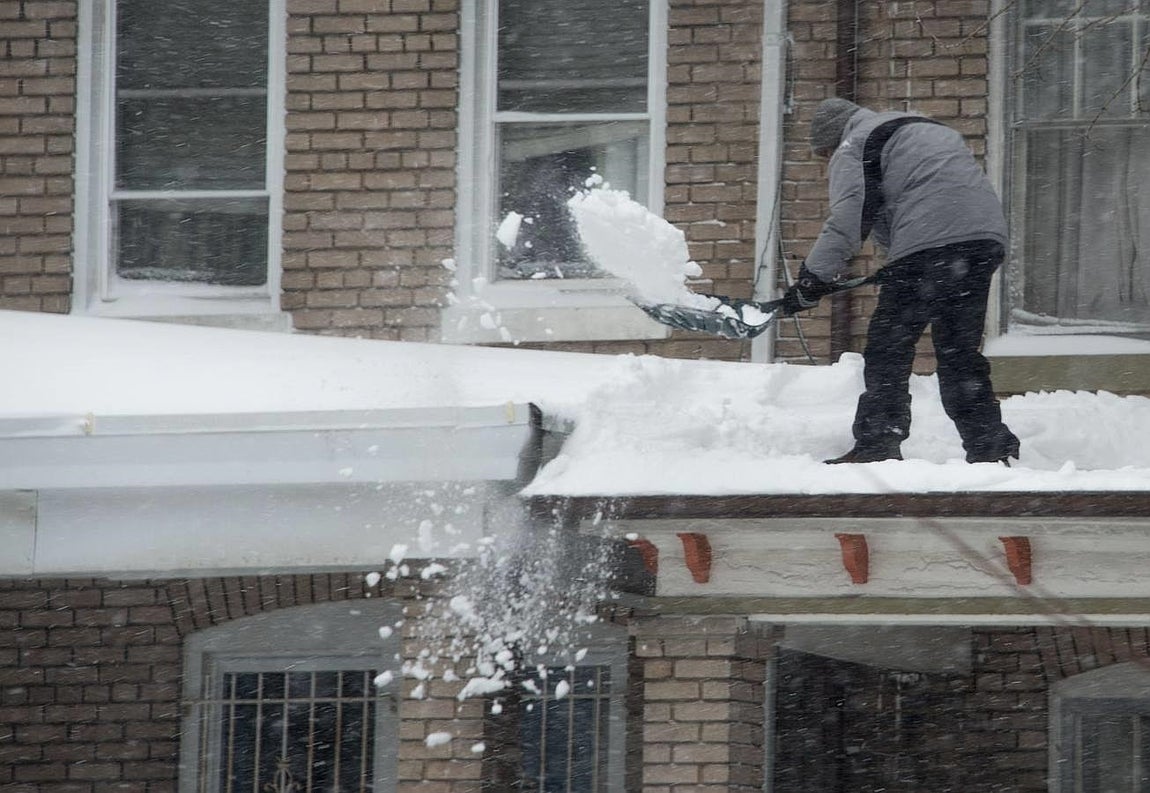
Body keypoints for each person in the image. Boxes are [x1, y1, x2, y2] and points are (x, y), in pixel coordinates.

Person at [779, 97, 1021, 465]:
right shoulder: (919, 128)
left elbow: (848, 218)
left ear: (829, 143)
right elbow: (911, 202)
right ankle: (989, 444)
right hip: (982, 241)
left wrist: (811, 280)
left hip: (932, 241)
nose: (826, 163)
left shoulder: (853, 144)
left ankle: (879, 441)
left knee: (888, 347)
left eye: (822, 156)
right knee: (958, 350)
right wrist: (900, 261)